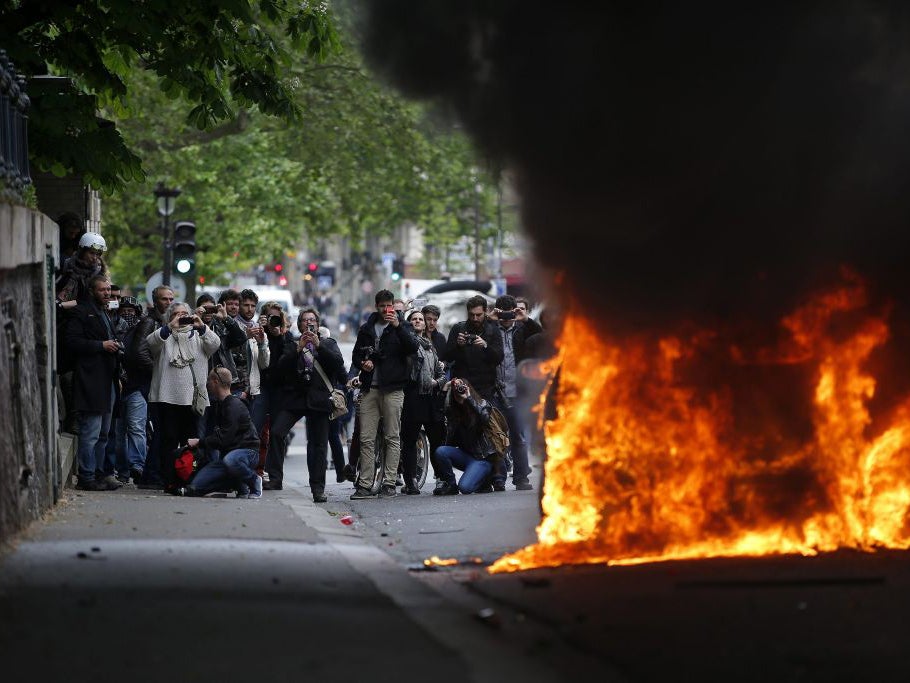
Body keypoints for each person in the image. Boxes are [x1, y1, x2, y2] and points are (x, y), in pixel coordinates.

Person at [265, 309, 345, 501]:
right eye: (305, 320)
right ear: (300, 325)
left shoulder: (328, 343)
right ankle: (275, 478)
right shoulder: (292, 344)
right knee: (276, 432)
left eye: (312, 321)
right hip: (295, 398)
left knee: (318, 445)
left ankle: (318, 488)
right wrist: (298, 349)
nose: (309, 323)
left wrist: (319, 347)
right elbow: (281, 368)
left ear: (317, 325)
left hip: (319, 400)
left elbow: (338, 365)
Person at [349, 290, 419, 499]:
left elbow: (412, 347)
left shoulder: (402, 327)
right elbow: (355, 354)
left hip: (393, 388)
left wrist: (398, 326)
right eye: (381, 306)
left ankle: (389, 482)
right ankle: (365, 483)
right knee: (366, 438)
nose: (385, 310)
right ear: (376, 306)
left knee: (392, 436)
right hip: (370, 388)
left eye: (389, 306)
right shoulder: (367, 328)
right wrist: (363, 363)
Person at [146, 301, 221, 492]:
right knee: (168, 439)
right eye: (176, 314)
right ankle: (169, 479)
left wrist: (201, 325)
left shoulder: (199, 336)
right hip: (166, 397)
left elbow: (215, 343)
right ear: (169, 317)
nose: (181, 317)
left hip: (192, 399)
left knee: (191, 441)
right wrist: (170, 327)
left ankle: (189, 477)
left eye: (184, 314)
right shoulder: (164, 335)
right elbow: (150, 343)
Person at [65, 275, 121, 491]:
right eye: (102, 290)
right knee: (91, 431)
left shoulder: (105, 312)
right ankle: (86, 476)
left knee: (104, 433)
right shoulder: (81, 311)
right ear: (91, 291)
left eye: (108, 289)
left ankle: (97, 474)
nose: (107, 293)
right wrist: (101, 345)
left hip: (109, 379)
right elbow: (72, 342)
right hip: (91, 379)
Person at [488, 294, 542, 491]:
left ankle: (521, 478)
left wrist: (525, 318)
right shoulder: (490, 328)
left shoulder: (522, 329)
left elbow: (541, 334)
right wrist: (489, 318)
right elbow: (472, 331)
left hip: (518, 390)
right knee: (497, 437)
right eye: (503, 314)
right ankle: (499, 478)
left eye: (510, 313)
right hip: (496, 390)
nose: (506, 318)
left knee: (518, 436)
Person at [185, 368, 262, 498]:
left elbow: (224, 439)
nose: (207, 383)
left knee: (231, 460)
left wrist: (199, 442)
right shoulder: (220, 404)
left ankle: (254, 481)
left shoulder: (234, 405)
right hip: (228, 458)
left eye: (209, 380)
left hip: (247, 452)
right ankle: (240, 485)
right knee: (195, 487)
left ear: (215, 381)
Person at [399, 309, 446, 494]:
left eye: (420, 319)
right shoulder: (406, 343)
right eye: (414, 319)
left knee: (436, 440)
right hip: (412, 397)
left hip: (431, 398)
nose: (418, 321)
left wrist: (436, 382)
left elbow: (441, 373)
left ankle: (442, 478)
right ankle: (410, 481)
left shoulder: (430, 346)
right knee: (409, 440)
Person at [433, 377, 504, 495]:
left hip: (482, 459)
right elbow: (438, 410)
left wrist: (468, 399)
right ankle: (451, 485)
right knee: (441, 451)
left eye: (462, 389)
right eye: (457, 390)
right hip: (466, 456)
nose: (459, 391)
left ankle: (484, 478)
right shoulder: (453, 410)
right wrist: (446, 387)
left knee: (465, 488)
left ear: (468, 389)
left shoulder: (482, 404)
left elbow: (484, 419)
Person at [441, 294, 504, 401]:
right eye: (471, 315)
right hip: (462, 386)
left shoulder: (493, 330)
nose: (475, 318)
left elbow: (498, 359)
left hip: (486, 388)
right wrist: (459, 346)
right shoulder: (458, 328)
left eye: (479, 315)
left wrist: (485, 346)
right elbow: (447, 357)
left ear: (486, 311)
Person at [120, 296, 155, 485]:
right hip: (117, 387)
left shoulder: (143, 330)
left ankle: (137, 466)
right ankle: (122, 470)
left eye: (131, 310)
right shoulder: (114, 327)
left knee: (136, 428)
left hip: (137, 387)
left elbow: (143, 356)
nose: (127, 313)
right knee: (119, 432)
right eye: (123, 310)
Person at [250, 302, 291, 434]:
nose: (273, 320)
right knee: (255, 428)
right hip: (261, 385)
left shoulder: (286, 336)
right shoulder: (257, 333)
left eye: (276, 317)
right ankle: (254, 454)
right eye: (270, 317)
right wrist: (260, 329)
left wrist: (279, 336)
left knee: (277, 431)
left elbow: (288, 359)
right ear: (263, 317)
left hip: (279, 387)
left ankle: (275, 455)